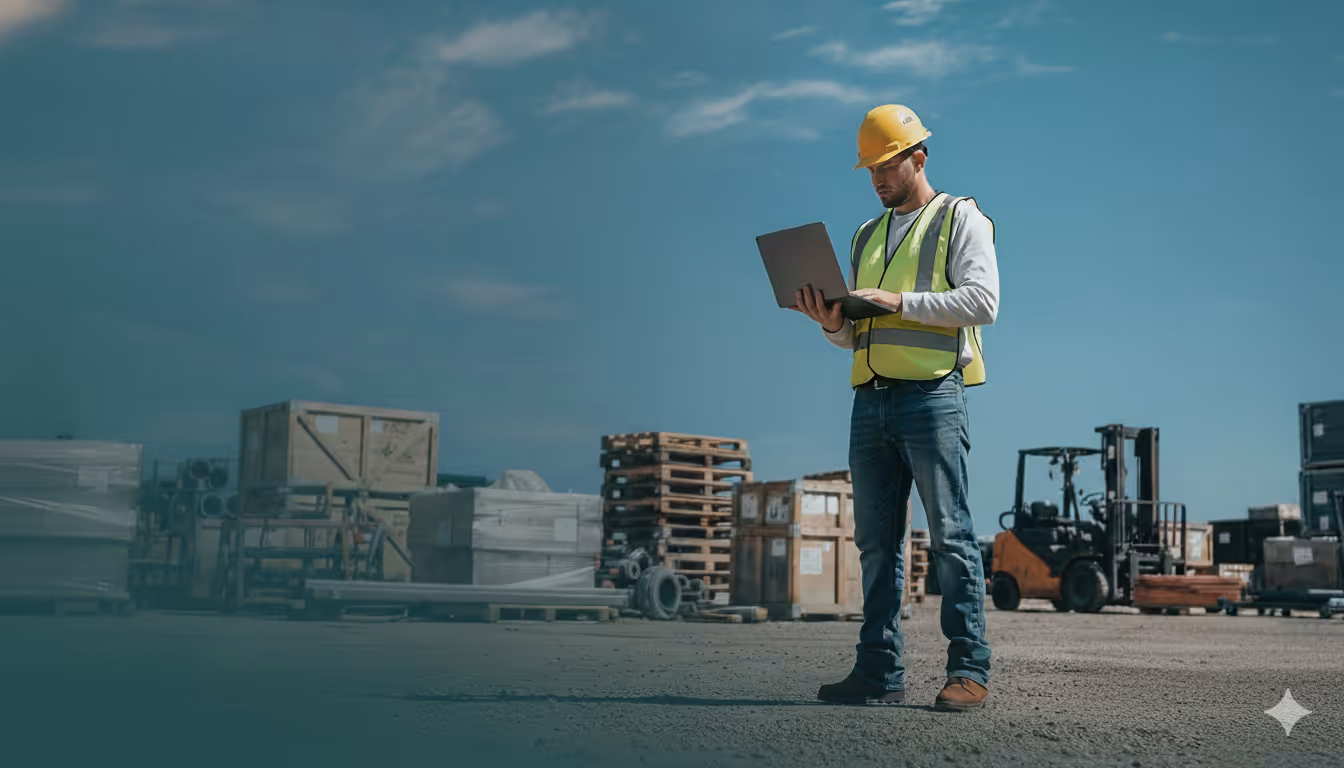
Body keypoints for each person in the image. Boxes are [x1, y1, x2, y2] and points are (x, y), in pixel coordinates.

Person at [790, 104, 998, 712]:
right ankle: (878, 671)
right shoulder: (864, 236)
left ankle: (970, 671)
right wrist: (829, 325)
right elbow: (857, 336)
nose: (878, 178)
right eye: (870, 169)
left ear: (918, 157)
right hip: (870, 403)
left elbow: (983, 301)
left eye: (887, 165)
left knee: (952, 538)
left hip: (933, 397)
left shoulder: (961, 218)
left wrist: (899, 300)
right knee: (876, 544)